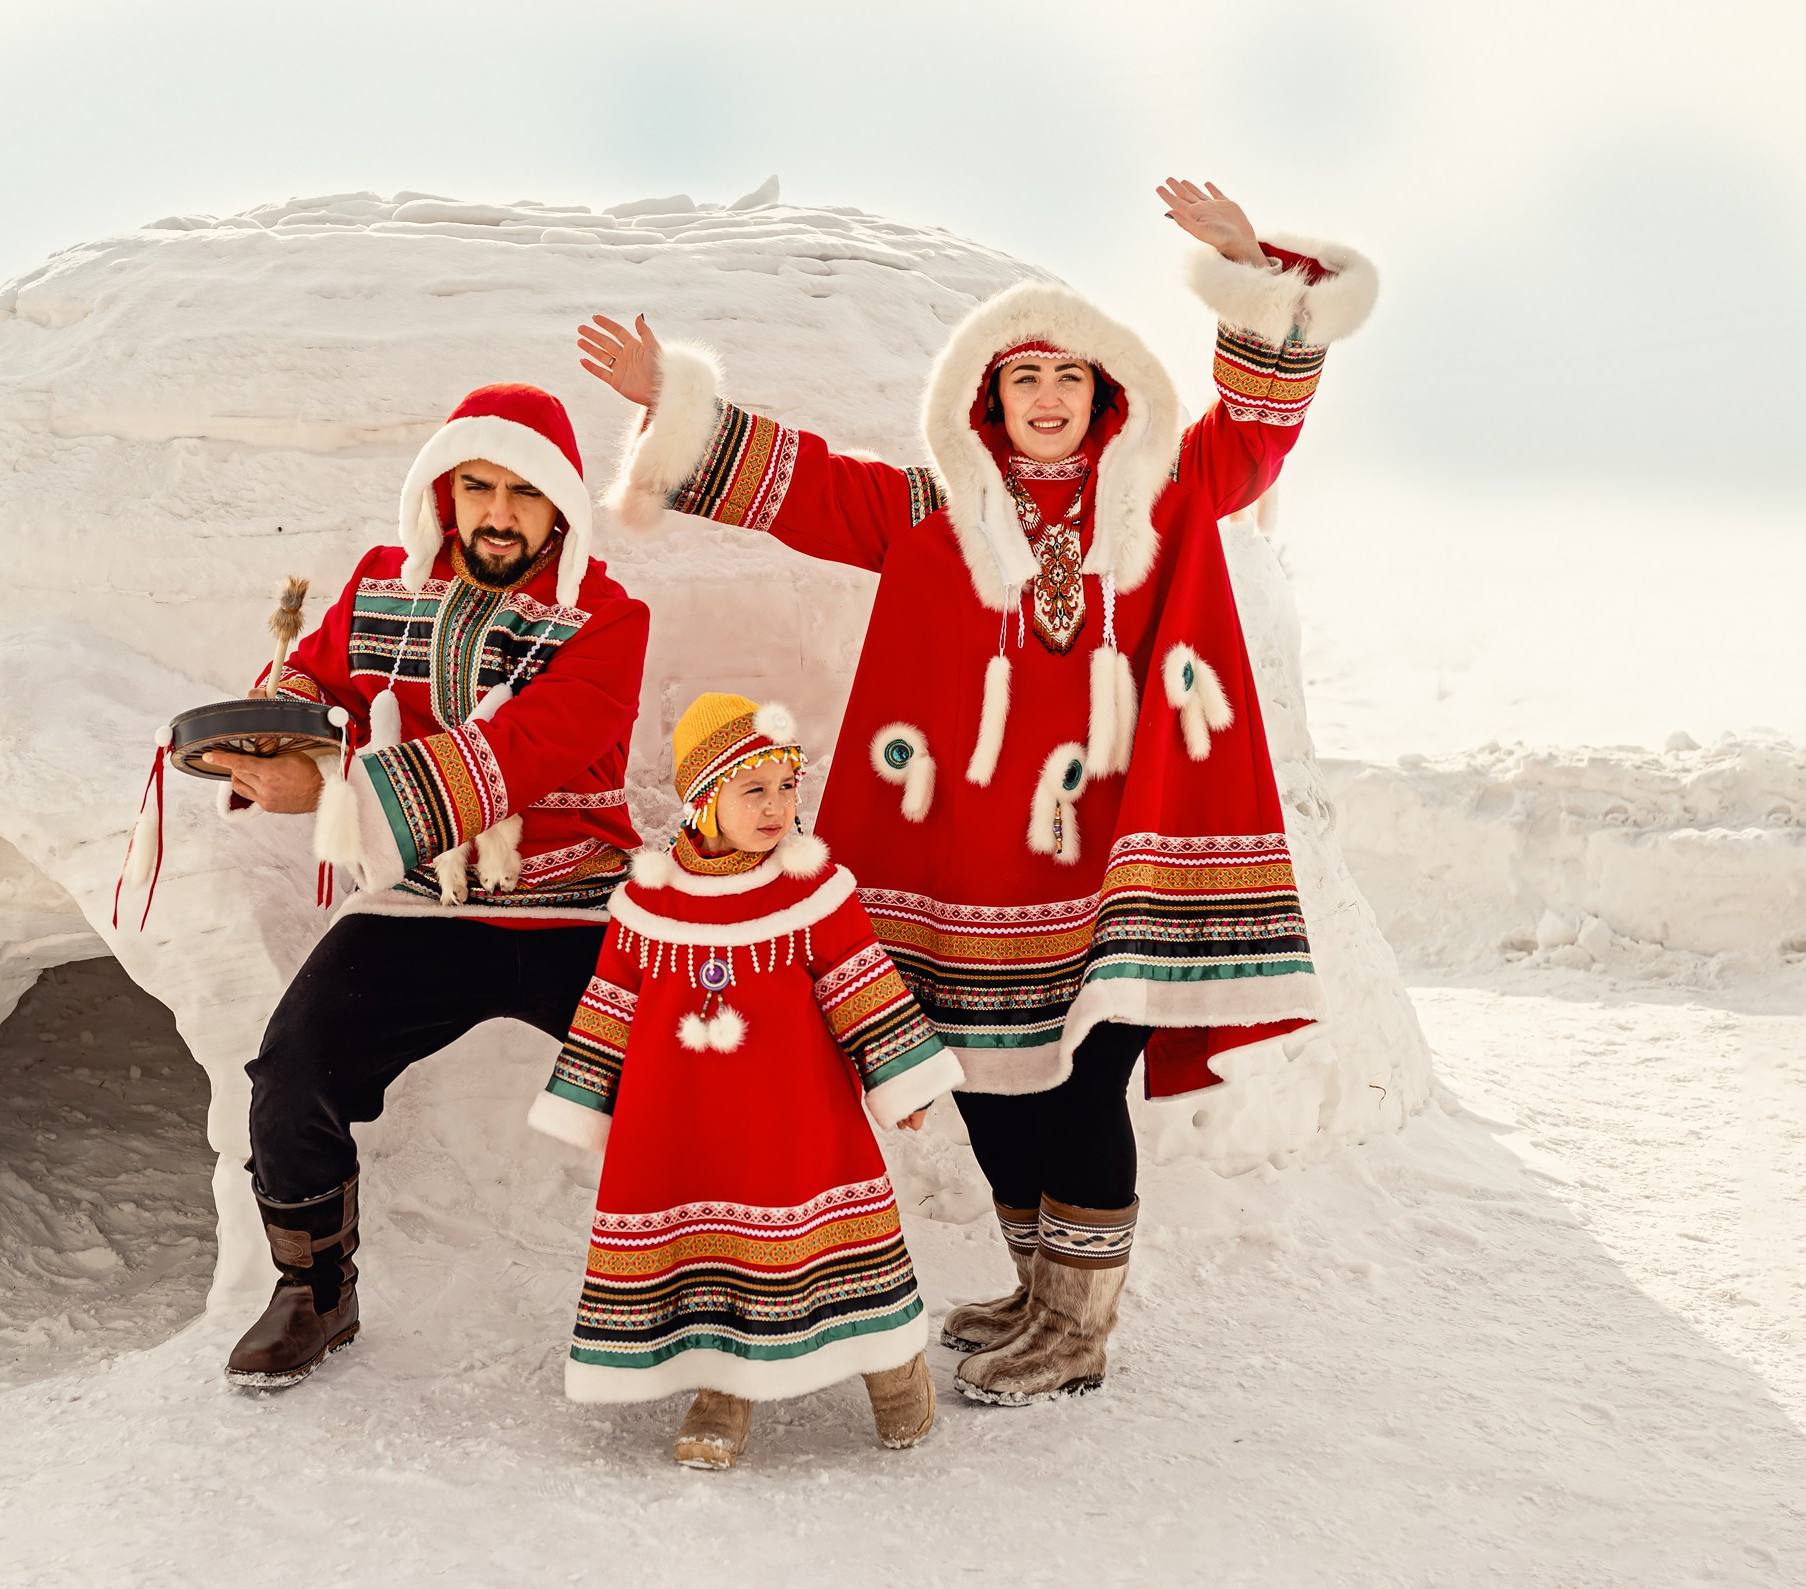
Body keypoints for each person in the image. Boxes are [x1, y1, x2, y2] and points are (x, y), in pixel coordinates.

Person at [575, 179, 1377, 1403]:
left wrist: (1249, 266)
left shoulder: (1170, 493)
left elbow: (1258, 426)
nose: (1046, 401)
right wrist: (673, 407)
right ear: (983, 404)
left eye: (1065, 379)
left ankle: (1081, 1330)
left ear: (1103, 394)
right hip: (970, 872)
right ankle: (1040, 1286)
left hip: (1122, 859)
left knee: (1080, 1081)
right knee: (992, 1085)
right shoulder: (928, 516)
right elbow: (800, 482)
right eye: (1020, 382)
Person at [208, 382, 650, 1389]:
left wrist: (322, 792)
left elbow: (522, 754)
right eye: (477, 487)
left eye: (523, 493)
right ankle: (313, 1294)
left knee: (678, 1087)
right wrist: (278, 717)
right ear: (446, 492)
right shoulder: (378, 586)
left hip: (571, 900)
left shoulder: (608, 619)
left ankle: (702, 1293)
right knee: (290, 1073)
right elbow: (323, 684)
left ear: (561, 506)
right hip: (422, 903)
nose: (498, 514)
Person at [528, 693, 962, 1468]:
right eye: (751, 788)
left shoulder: (812, 892)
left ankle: (895, 1368)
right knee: (710, 1259)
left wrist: (903, 1081)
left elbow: (862, 984)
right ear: (702, 800)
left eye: (786, 785)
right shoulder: (647, 903)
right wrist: (585, 1109)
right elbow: (610, 1010)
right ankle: (721, 1388)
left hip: (800, 1124)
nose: (775, 807)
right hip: (683, 1128)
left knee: (839, 1250)